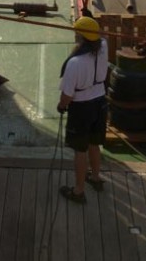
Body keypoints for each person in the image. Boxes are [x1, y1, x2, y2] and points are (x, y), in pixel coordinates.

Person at [57, 15, 109, 203]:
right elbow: (102, 38)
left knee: (80, 150)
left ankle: (78, 191)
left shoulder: (74, 63)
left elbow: (67, 96)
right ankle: (95, 177)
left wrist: (61, 106)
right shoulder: (103, 47)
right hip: (100, 102)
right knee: (94, 143)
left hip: (82, 108)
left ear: (80, 37)